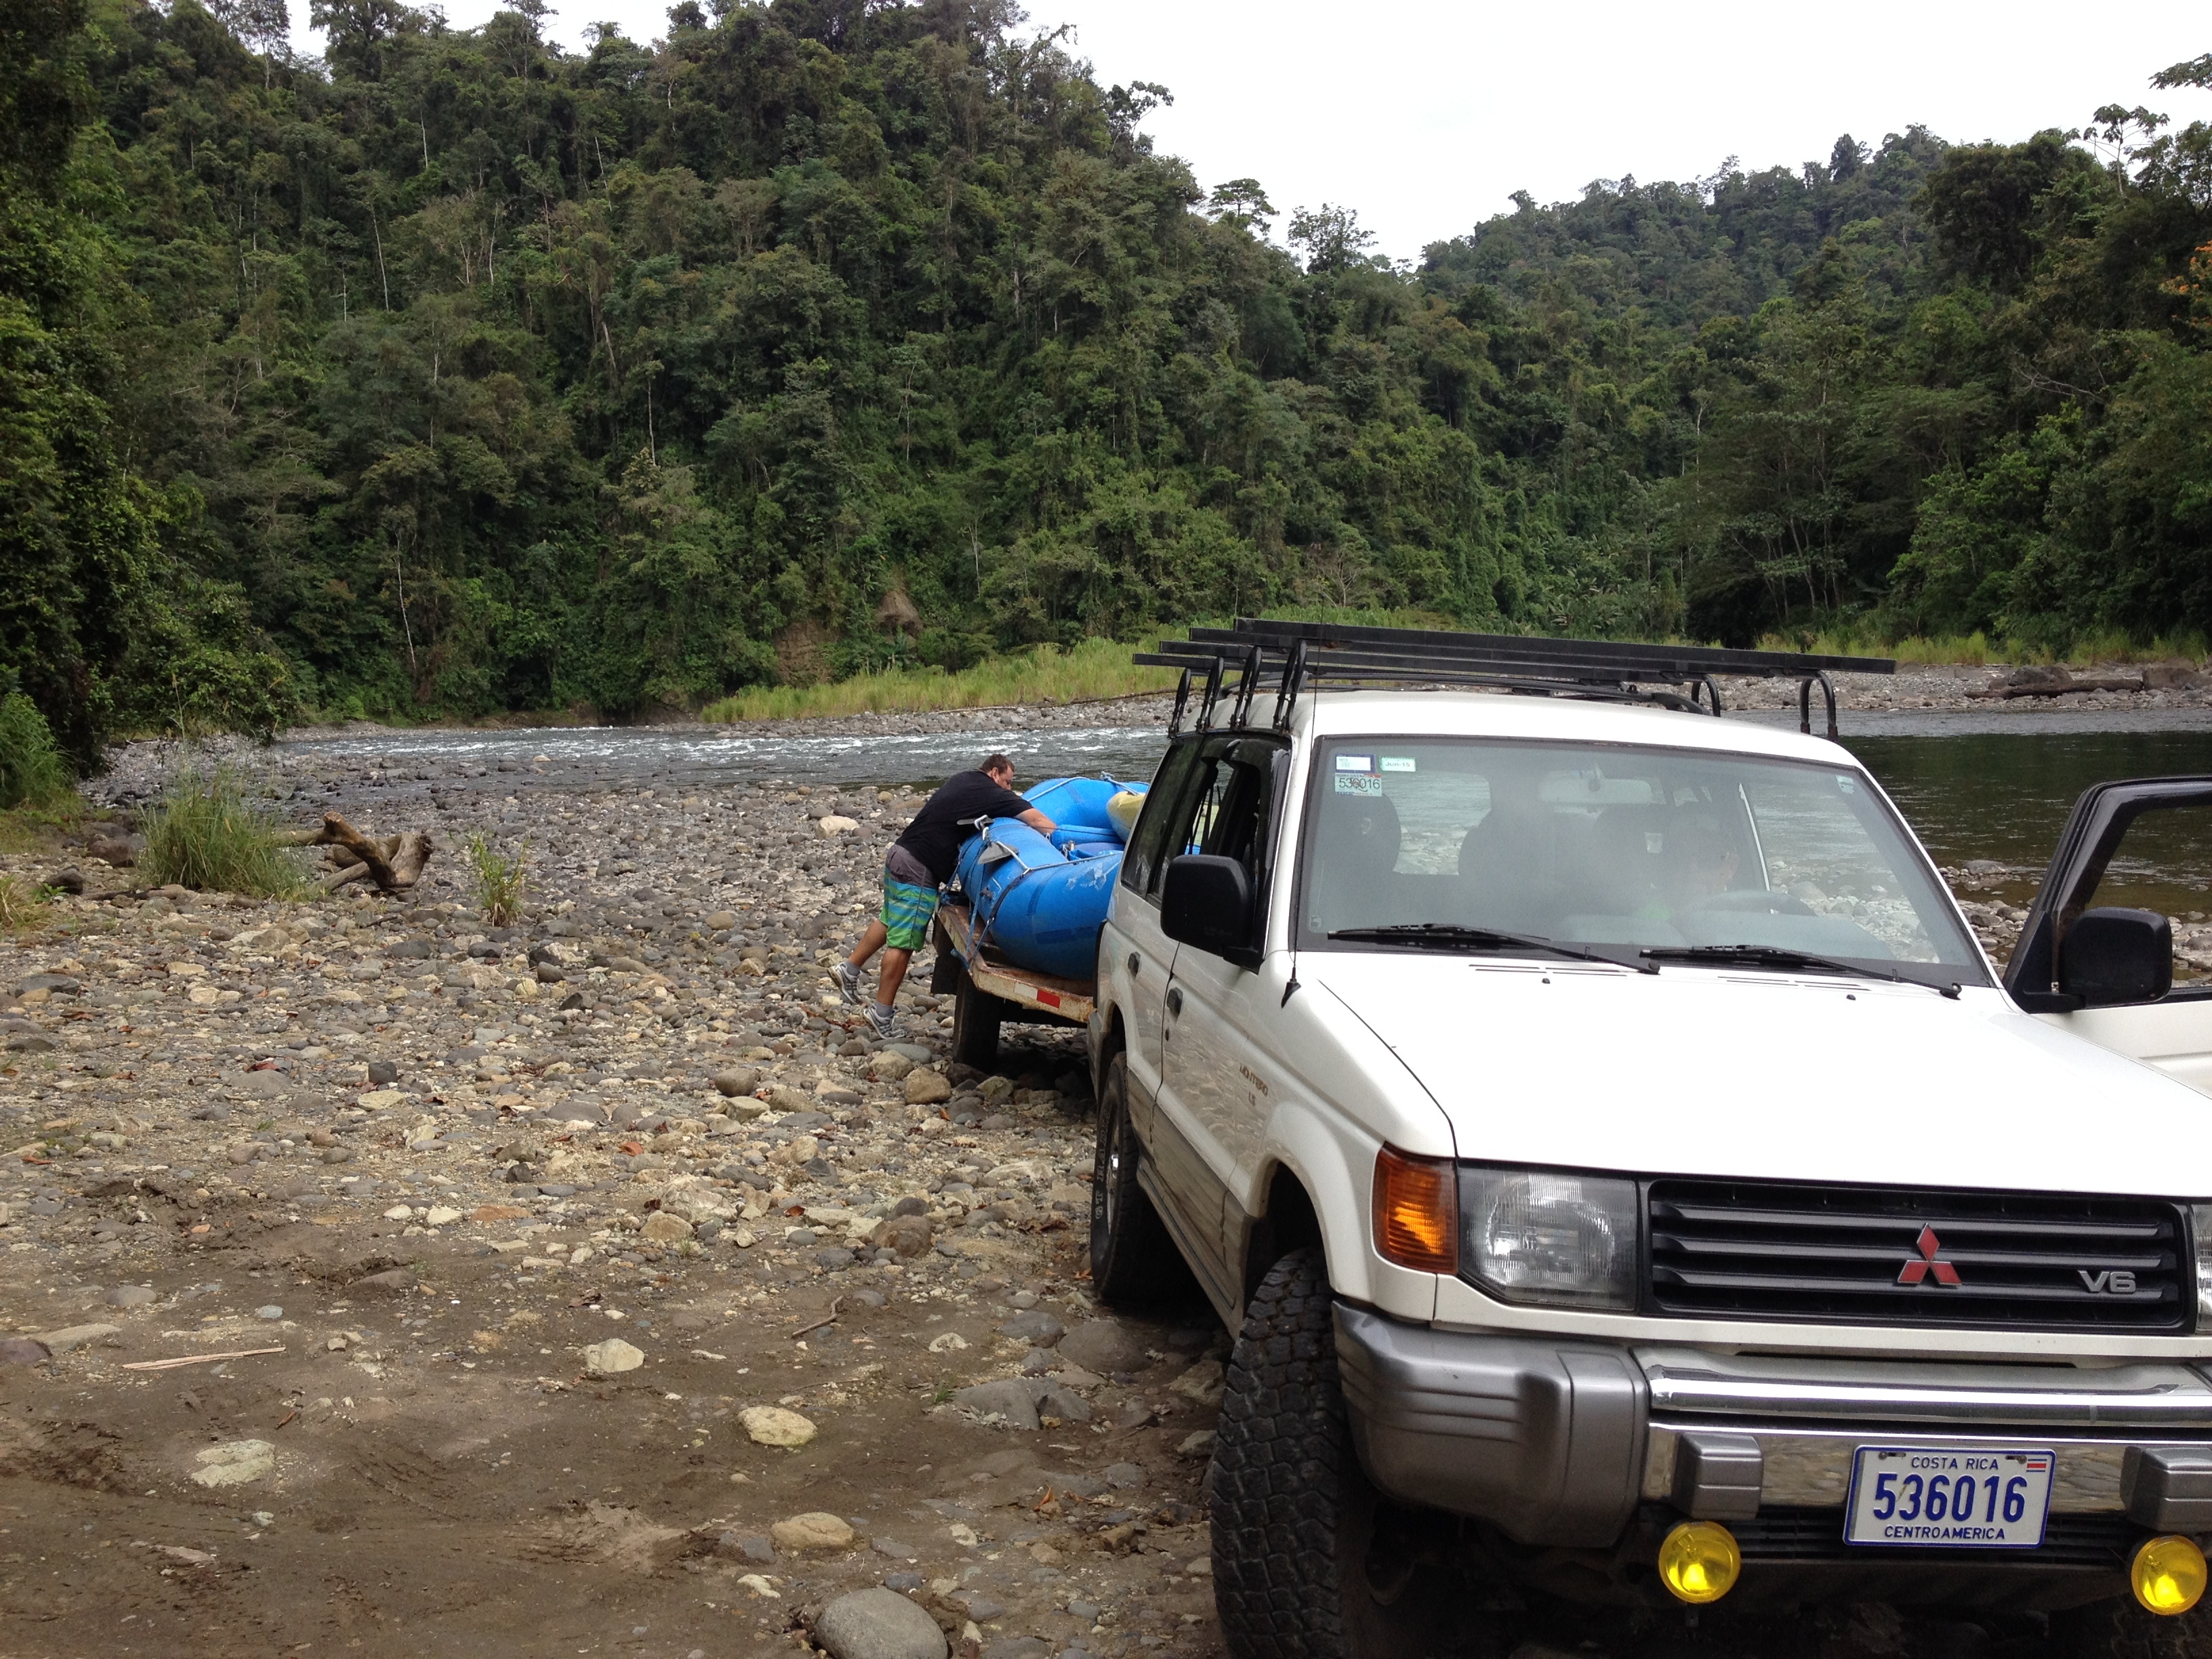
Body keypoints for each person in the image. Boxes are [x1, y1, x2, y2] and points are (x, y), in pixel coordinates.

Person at [838, 754, 1056, 1039]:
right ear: (994, 773)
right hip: (919, 867)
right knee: (903, 943)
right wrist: (1056, 840)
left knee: (890, 918)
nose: (1008, 789)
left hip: (900, 854)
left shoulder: (963, 779)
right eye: (1007, 782)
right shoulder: (992, 793)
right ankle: (881, 1015)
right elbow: (1040, 821)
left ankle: (849, 969)